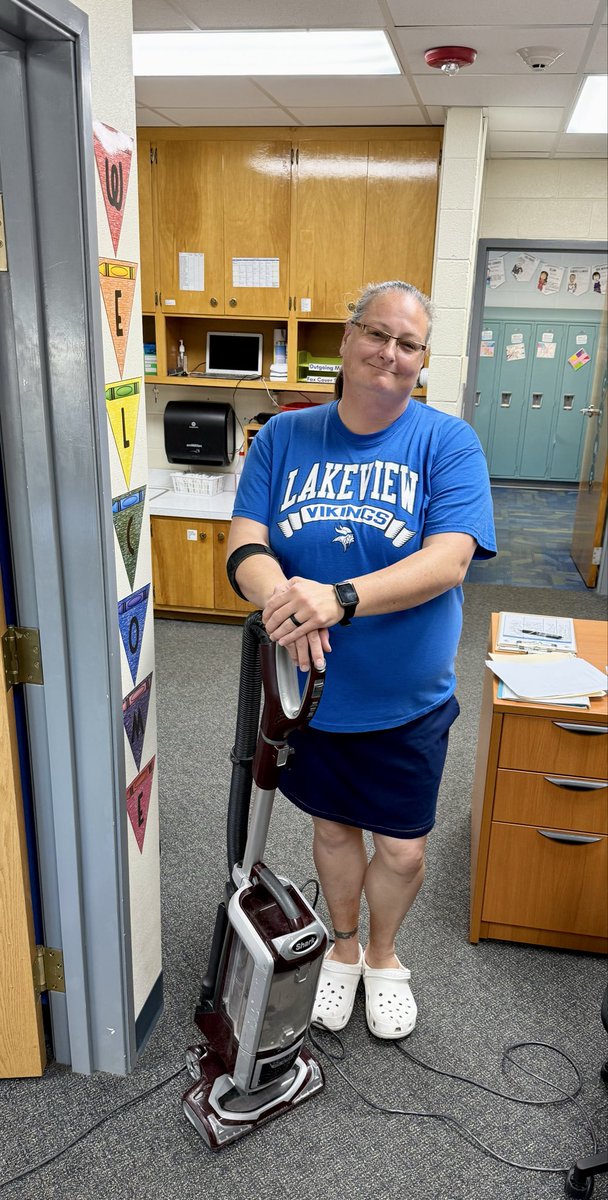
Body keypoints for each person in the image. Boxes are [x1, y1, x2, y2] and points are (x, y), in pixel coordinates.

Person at [226, 280, 496, 1040]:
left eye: (409, 344)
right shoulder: (284, 437)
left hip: (407, 697)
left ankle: (385, 954)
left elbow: (449, 561)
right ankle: (343, 950)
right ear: (345, 342)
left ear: (423, 360)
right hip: (313, 695)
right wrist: (282, 597)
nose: (390, 354)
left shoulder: (447, 442)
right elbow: (245, 544)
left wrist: (336, 598)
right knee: (335, 832)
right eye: (377, 335)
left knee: (404, 850)